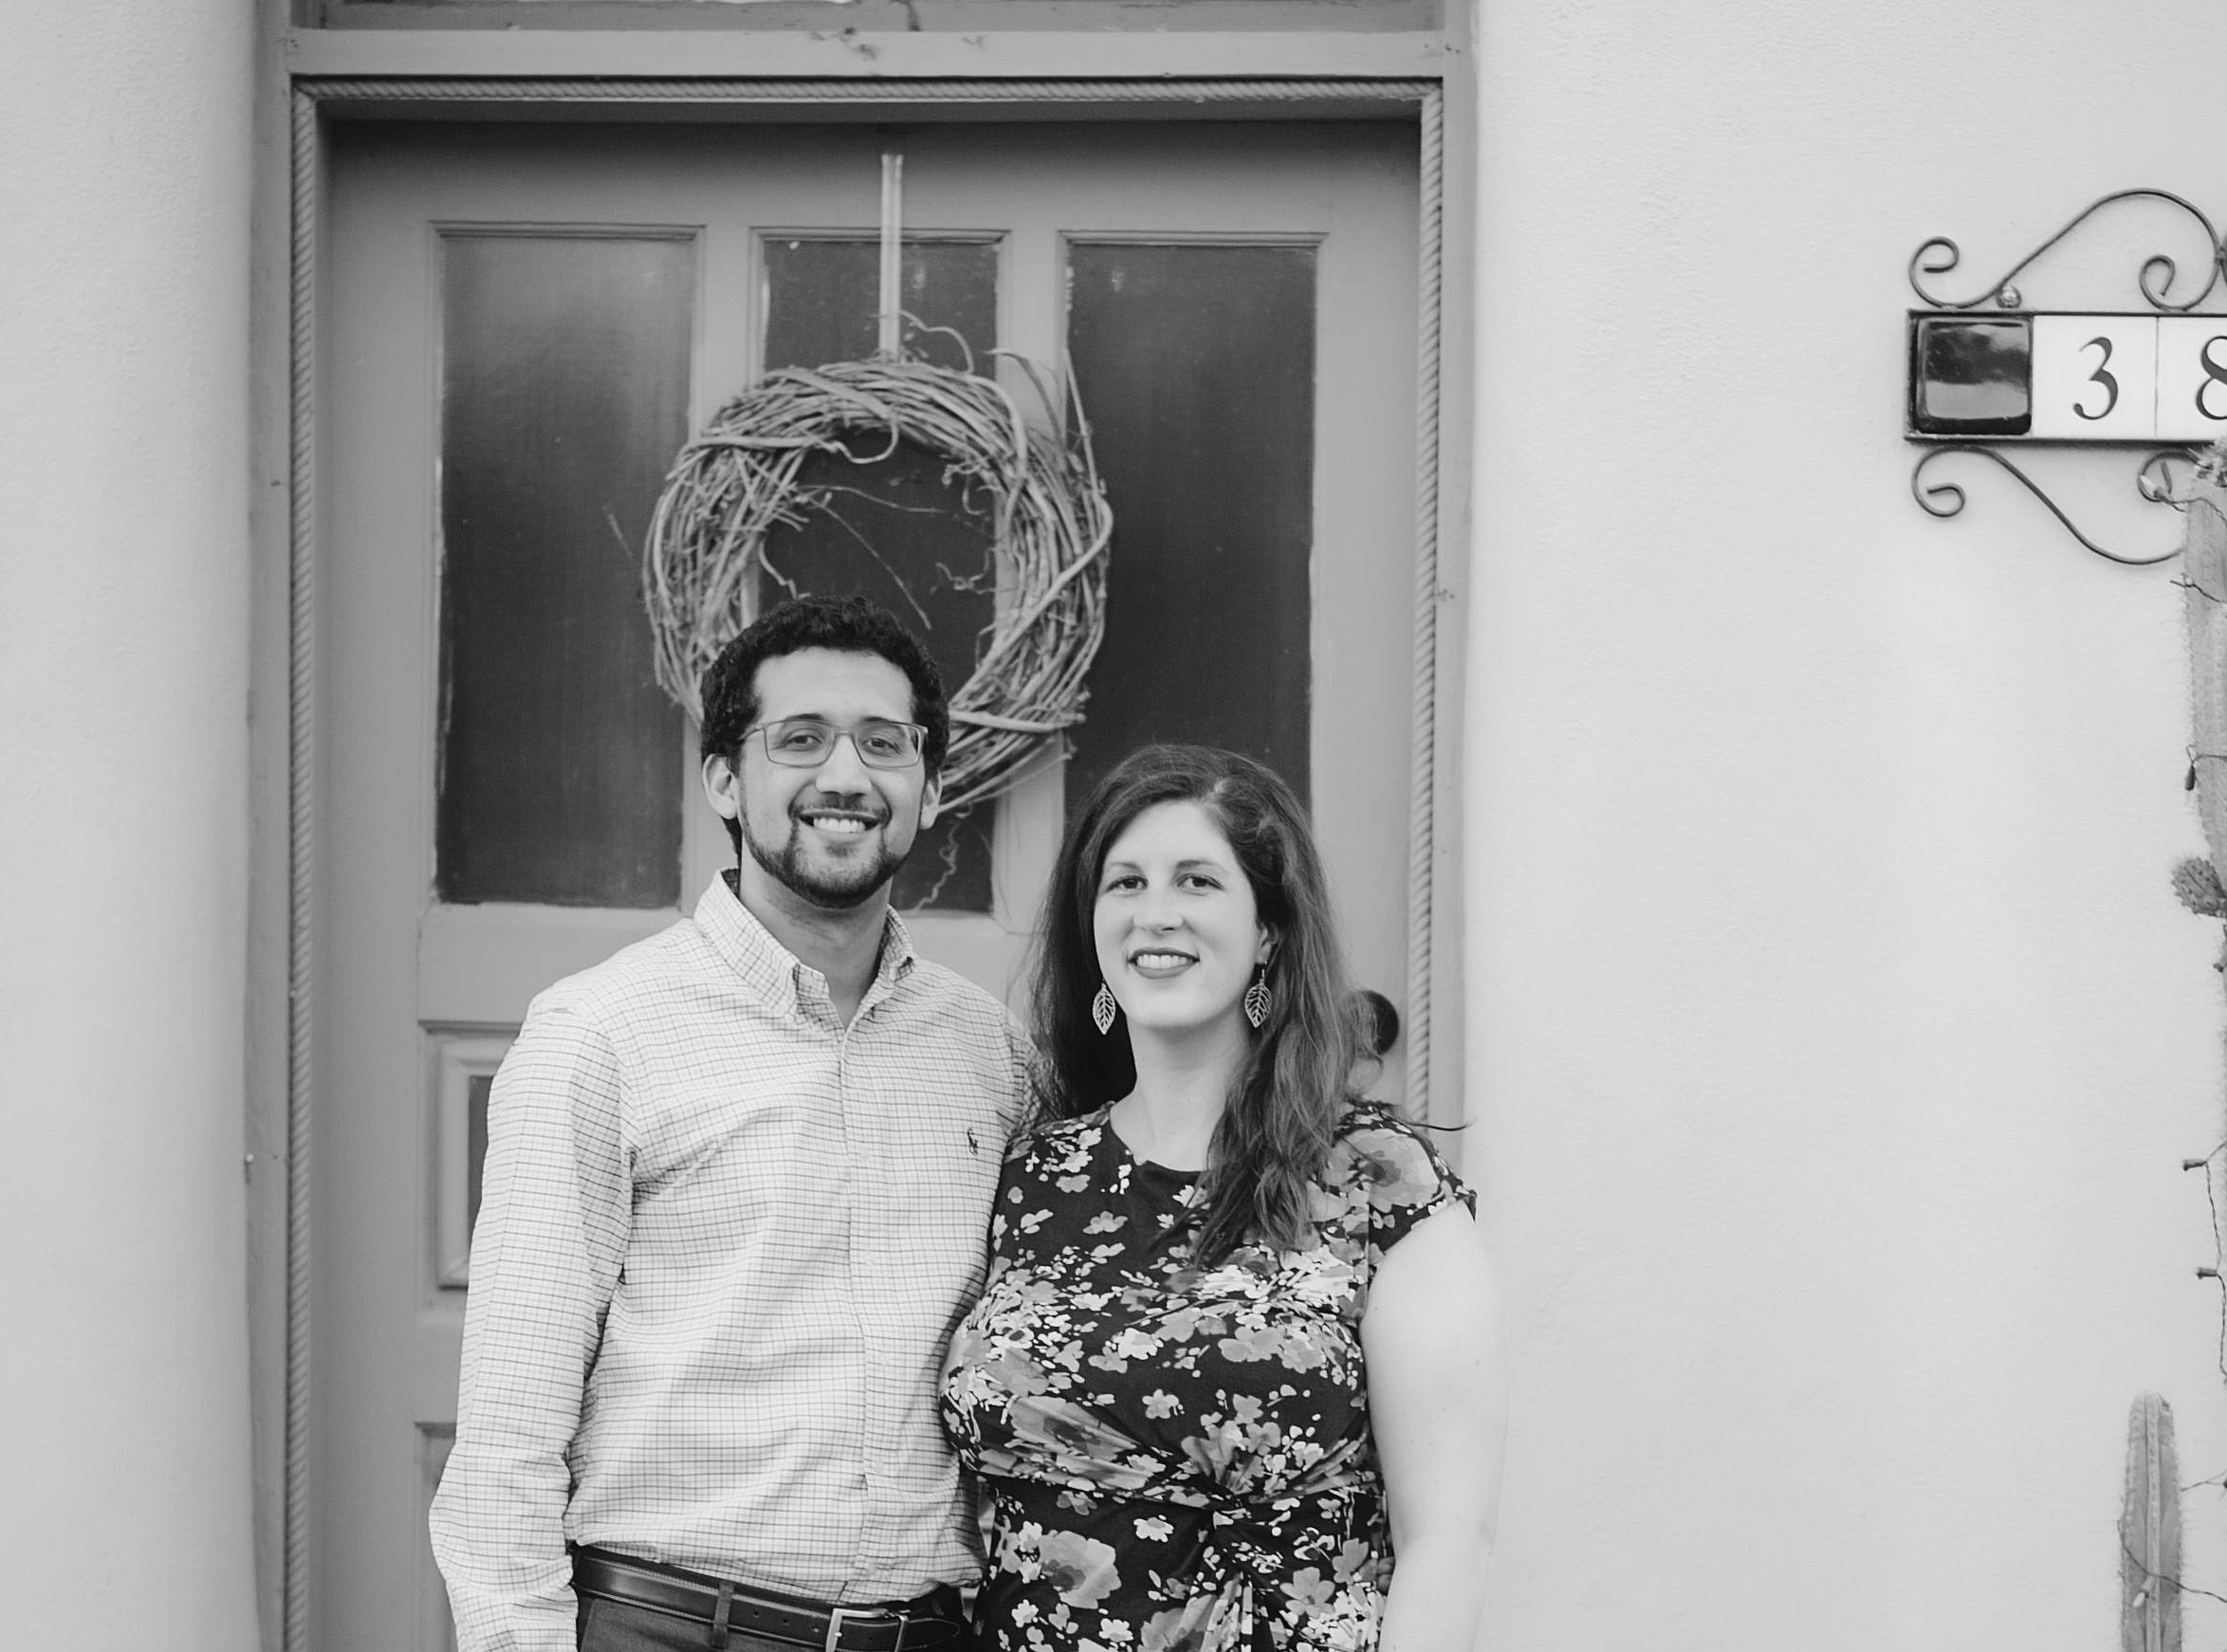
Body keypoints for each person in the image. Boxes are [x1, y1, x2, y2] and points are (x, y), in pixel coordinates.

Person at [433, 595, 1031, 1652]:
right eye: (799, 739)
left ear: (930, 787)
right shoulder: (601, 1032)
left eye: (883, 743)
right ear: (723, 778)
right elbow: (509, 1423)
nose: (844, 776)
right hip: (670, 1626)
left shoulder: (990, 1053)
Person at [940, 744, 1505, 1652]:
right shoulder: (1033, 1174)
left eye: (1197, 881)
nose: (1155, 913)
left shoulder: (1377, 1180)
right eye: (1124, 883)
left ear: (1268, 931)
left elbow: (1447, 1543)